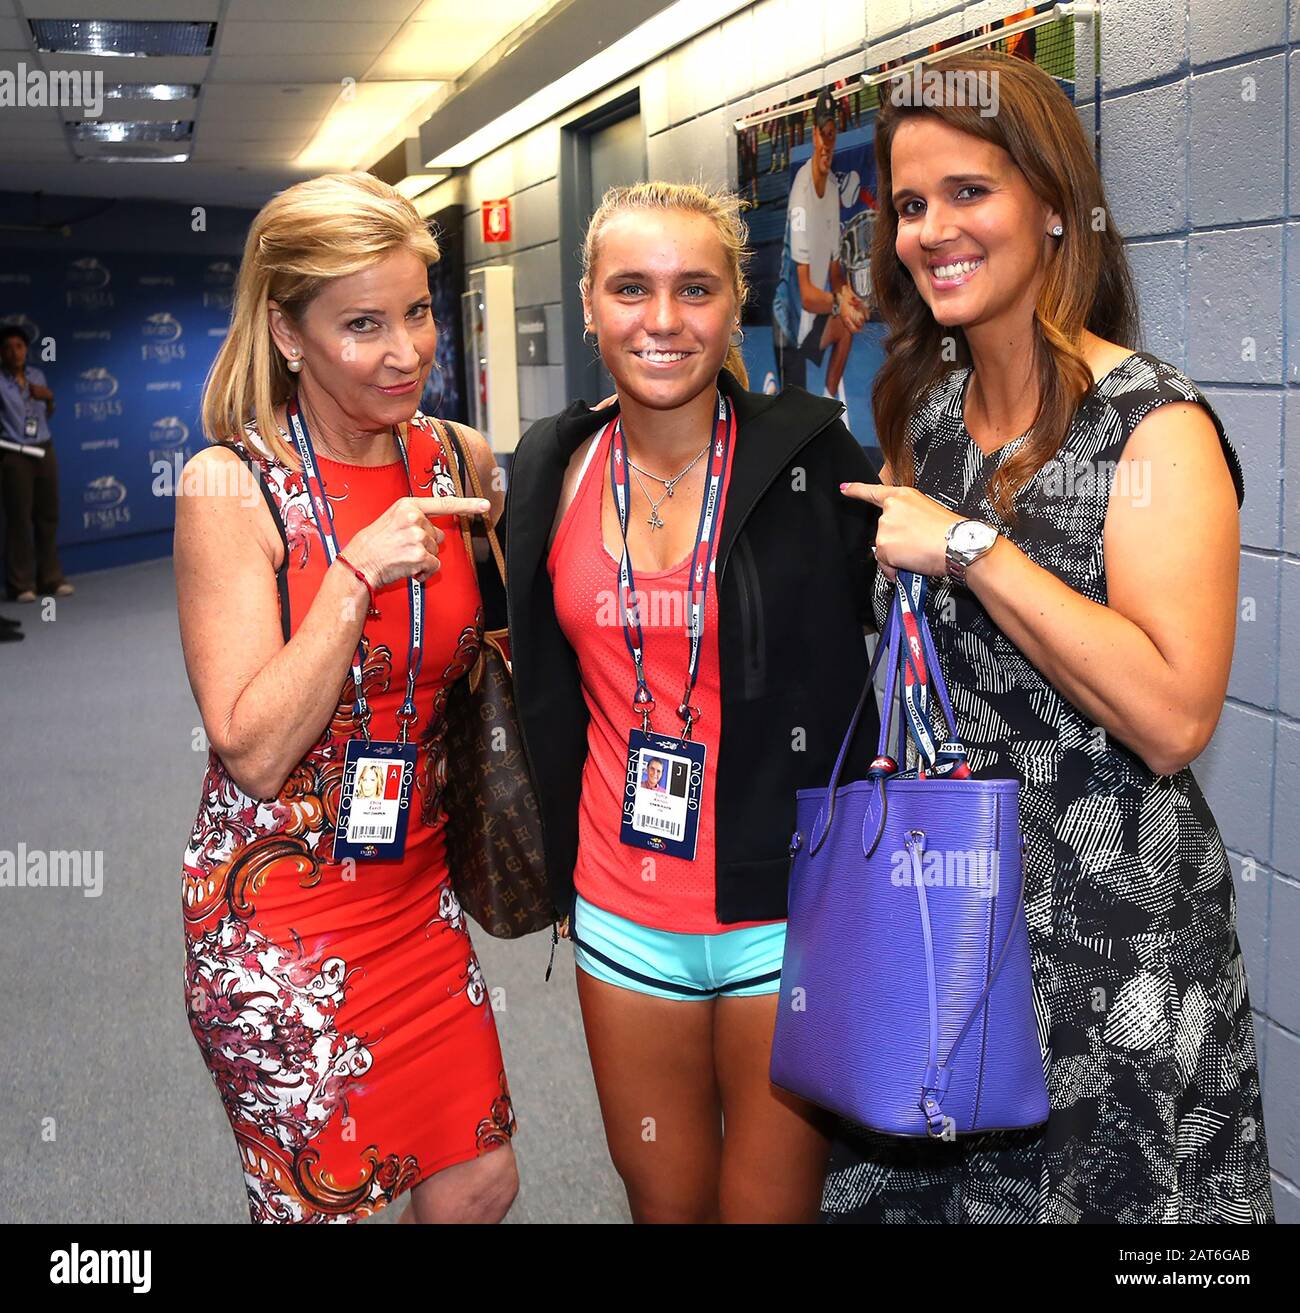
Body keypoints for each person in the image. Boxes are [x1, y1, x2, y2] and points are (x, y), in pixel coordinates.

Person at [831, 50, 1273, 1223]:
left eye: (968, 192)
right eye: (910, 206)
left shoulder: (1154, 426)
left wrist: (974, 550)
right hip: (943, 926)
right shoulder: (921, 413)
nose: (931, 230)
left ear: (1050, 206)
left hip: (1110, 947)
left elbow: (1175, 716)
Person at [505, 181, 881, 1223]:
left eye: (694, 289)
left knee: (766, 1210)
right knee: (665, 1203)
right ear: (588, 303)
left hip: (786, 911)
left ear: (735, 308)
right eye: (631, 288)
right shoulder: (550, 465)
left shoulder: (809, 454)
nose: (662, 321)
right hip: (623, 905)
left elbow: (895, 627)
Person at [175, 171, 518, 1225]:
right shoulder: (229, 486)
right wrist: (355, 573)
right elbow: (251, 744)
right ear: (287, 332)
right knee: (326, 1209)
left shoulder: (458, 458)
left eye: (415, 311)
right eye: (361, 324)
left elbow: (484, 657)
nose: (404, 349)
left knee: (476, 1179)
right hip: (279, 914)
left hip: (417, 895)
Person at [773, 90, 868, 409]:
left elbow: (835, 270)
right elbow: (808, 294)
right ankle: (774, 399)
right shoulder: (801, 193)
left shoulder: (831, 191)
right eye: (822, 135)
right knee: (791, 418)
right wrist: (841, 303)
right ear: (813, 135)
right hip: (790, 321)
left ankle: (832, 408)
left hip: (813, 316)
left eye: (832, 135)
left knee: (846, 329)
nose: (827, 144)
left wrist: (849, 296)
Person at [0, 324, 72, 602]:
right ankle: (21, 584)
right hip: (15, 453)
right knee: (19, 519)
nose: (14, 352)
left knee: (48, 517)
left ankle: (51, 579)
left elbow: (45, 414)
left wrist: (50, 398)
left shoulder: (36, 375)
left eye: (18, 346)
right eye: (7, 348)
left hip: (44, 449)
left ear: (26, 350)